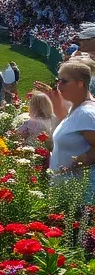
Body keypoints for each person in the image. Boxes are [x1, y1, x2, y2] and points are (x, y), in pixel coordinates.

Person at [34, 61, 95, 203]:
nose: (58, 86)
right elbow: (70, 128)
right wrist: (55, 101)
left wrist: (80, 161)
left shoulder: (86, 113)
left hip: (80, 196)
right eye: (57, 80)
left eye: (64, 81)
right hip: (69, 192)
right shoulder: (77, 108)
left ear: (80, 83)